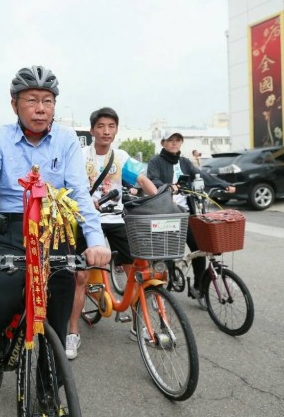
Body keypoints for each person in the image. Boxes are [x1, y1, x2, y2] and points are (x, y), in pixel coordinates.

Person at [0, 65, 111, 372]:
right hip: (13, 230)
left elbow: (80, 193)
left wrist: (96, 241)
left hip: (55, 229)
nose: (41, 109)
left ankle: (52, 389)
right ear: (14, 104)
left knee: (59, 304)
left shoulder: (67, 140)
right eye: (31, 100)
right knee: (3, 291)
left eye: (48, 100)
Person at [65, 107, 158, 359]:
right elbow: (69, 184)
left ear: (116, 129)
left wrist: (159, 199)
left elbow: (141, 180)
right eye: (101, 126)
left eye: (111, 126)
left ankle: (138, 324)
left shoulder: (121, 156)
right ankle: (72, 332)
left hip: (116, 218)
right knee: (81, 278)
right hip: (86, 219)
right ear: (93, 129)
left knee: (136, 272)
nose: (106, 131)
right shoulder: (79, 154)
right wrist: (82, 200)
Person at [146, 130, 236, 307]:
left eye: (177, 140)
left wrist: (224, 185)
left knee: (199, 249)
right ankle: (166, 286)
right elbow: (152, 179)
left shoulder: (184, 162)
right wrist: (166, 186)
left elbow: (200, 175)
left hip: (186, 213)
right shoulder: (155, 161)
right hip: (165, 213)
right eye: (170, 140)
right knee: (167, 252)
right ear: (163, 143)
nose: (174, 143)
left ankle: (199, 288)